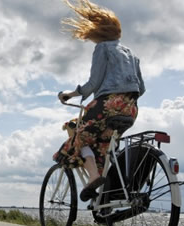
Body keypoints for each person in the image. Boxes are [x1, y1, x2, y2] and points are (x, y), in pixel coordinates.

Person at [53, 0, 145, 202]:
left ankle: (93, 176)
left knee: (80, 136)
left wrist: (69, 94)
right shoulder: (132, 54)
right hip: (130, 109)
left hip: (107, 105)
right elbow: (142, 88)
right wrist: (125, 99)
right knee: (103, 147)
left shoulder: (103, 48)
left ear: (98, 31)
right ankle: (104, 201)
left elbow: (93, 83)